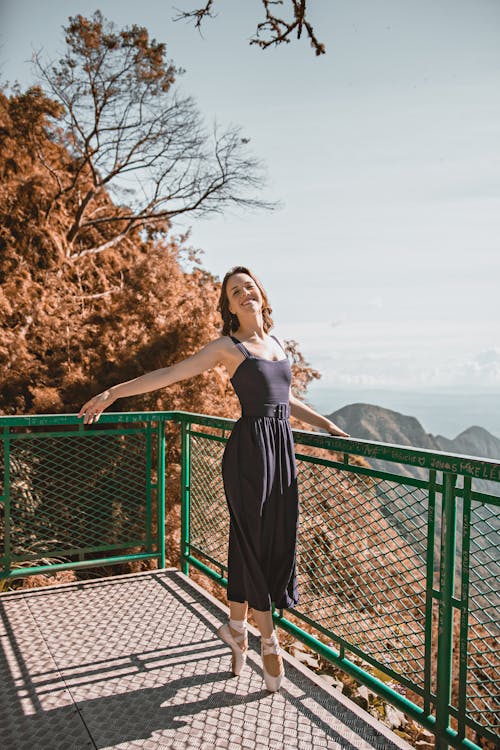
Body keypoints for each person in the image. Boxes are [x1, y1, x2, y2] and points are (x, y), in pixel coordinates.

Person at [79, 265, 350, 692]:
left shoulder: (276, 344)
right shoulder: (228, 347)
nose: (244, 294)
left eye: (249, 287)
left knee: (267, 539)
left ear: (261, 293)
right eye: (234, 292)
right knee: (254, 540)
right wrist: (113, 392)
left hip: (282, 451)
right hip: (249, 453)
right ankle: (269, 641)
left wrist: (327, 425)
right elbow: (169, 374)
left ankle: (236, 630)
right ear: (227, 305)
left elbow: (287, 399)